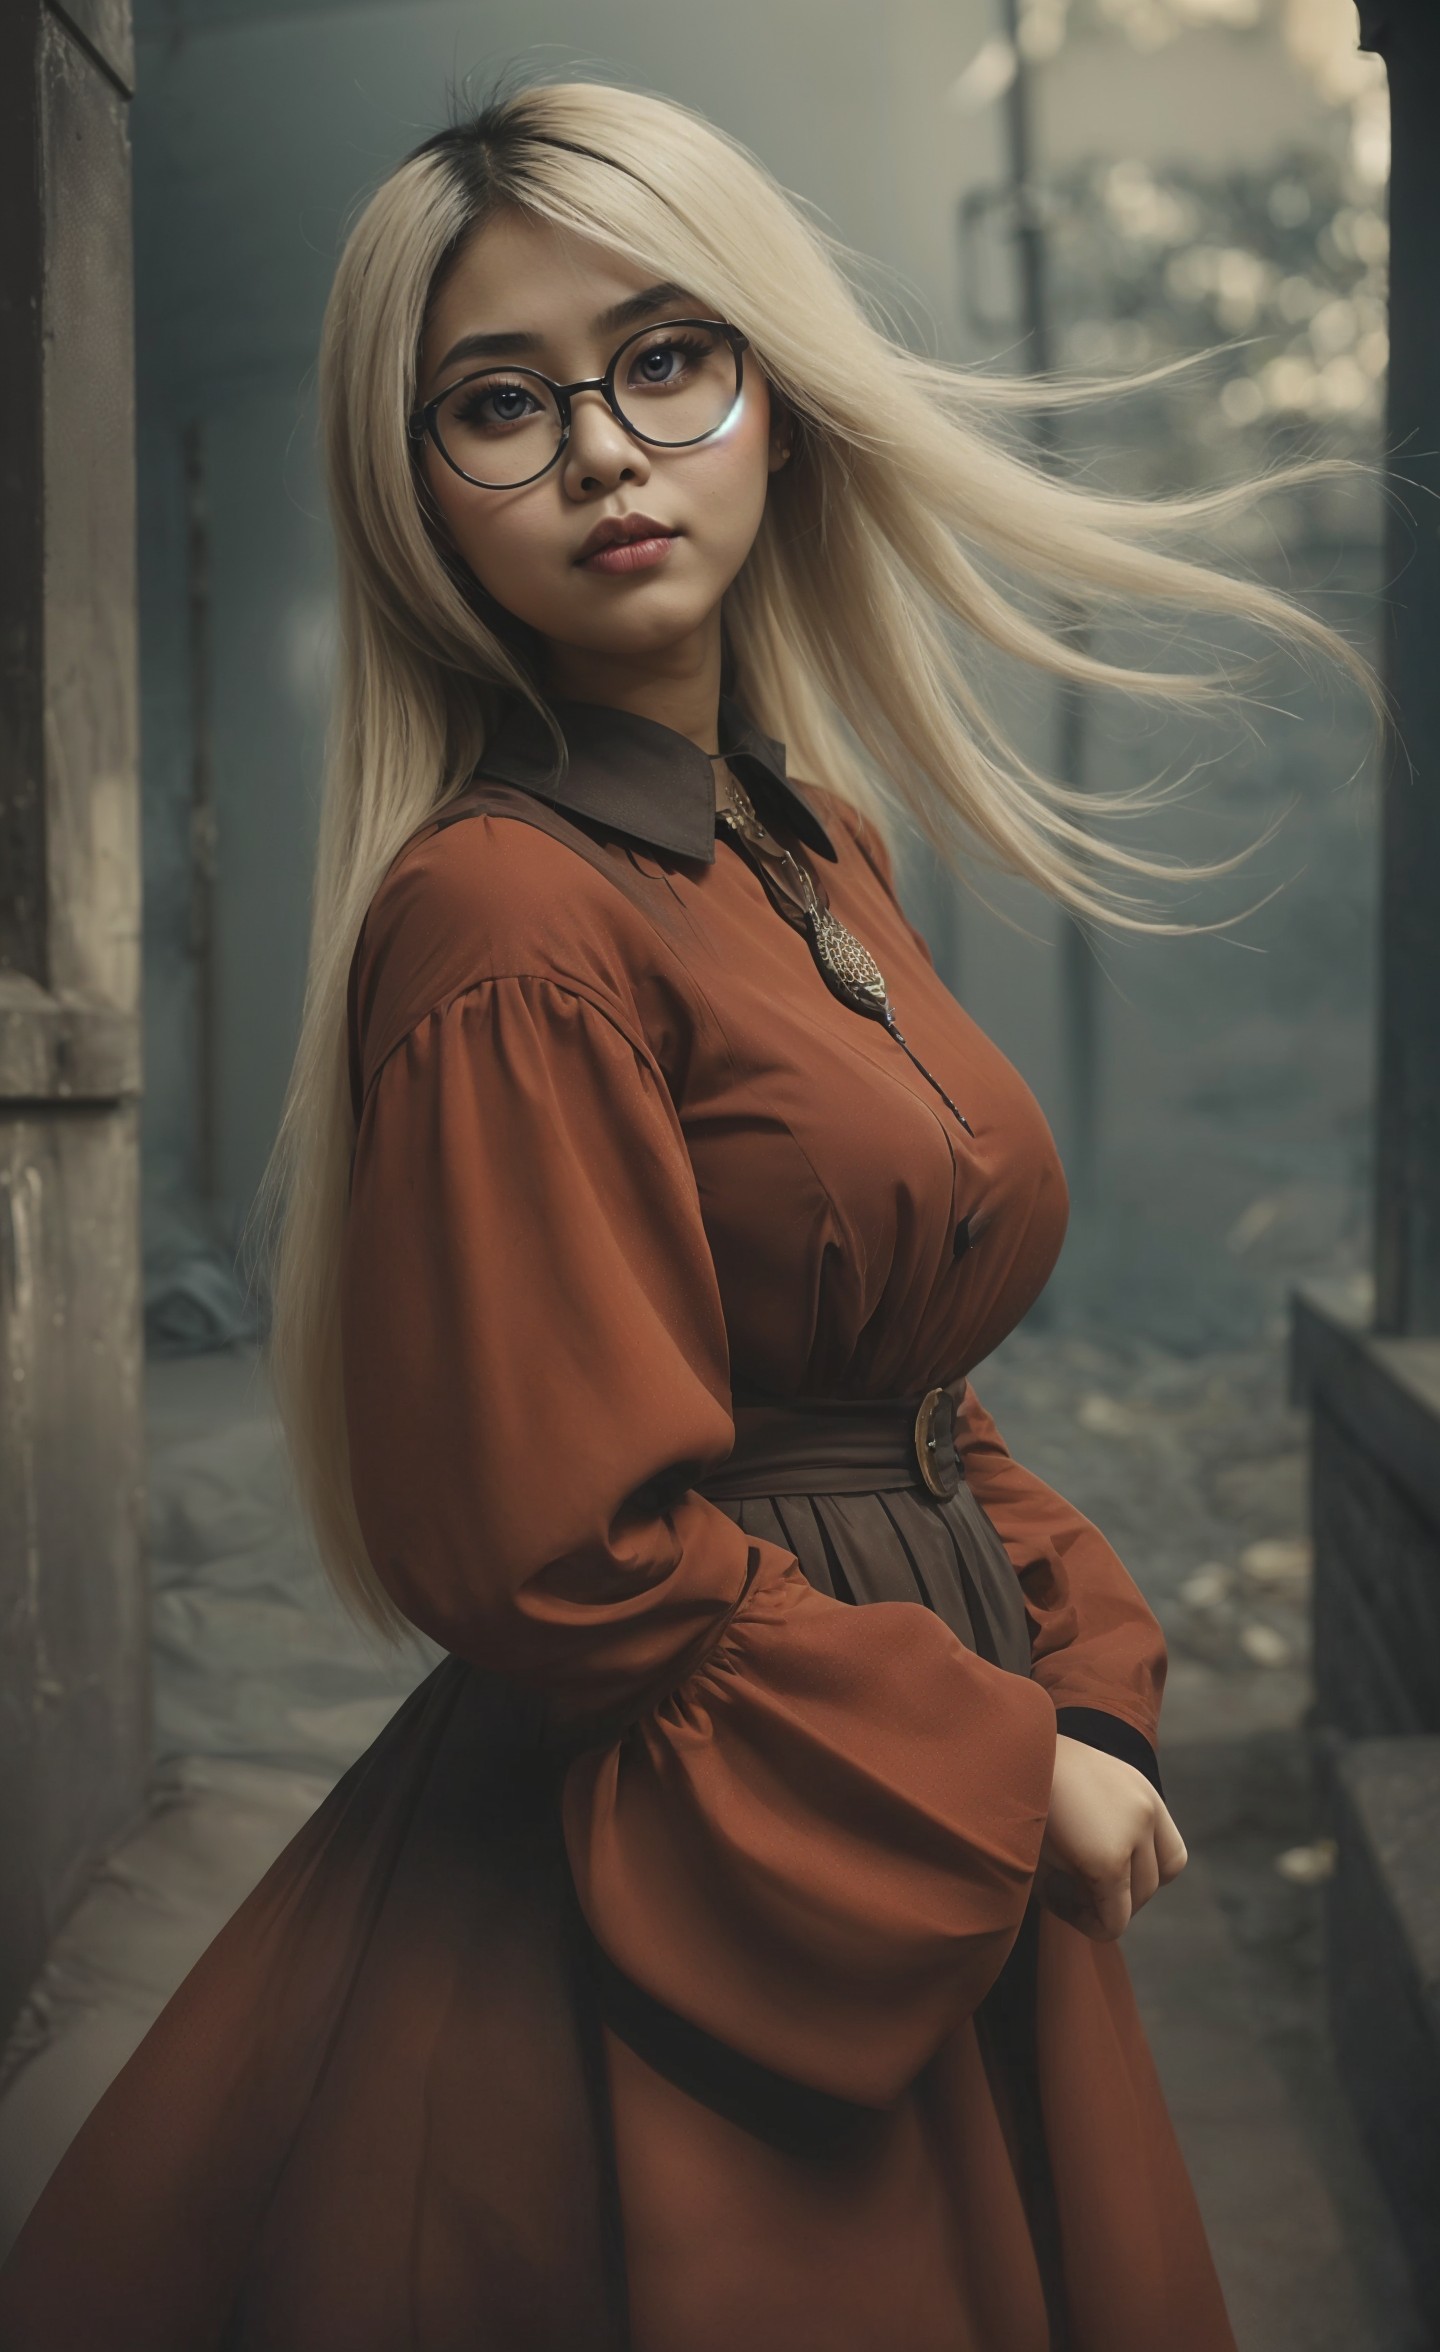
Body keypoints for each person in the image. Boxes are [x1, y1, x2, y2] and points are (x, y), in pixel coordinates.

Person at [0, 77, 1369, 2352]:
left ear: (777, 402)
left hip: (919, 1758)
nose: (606, 452)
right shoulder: (499, 921)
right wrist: (988, 1761)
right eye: (499, 403)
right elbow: (570, 1547)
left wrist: (1081, 1684)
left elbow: (910, 1399)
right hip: (737, 1834)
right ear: (413, 489)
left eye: (665, 361)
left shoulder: (816, 845)